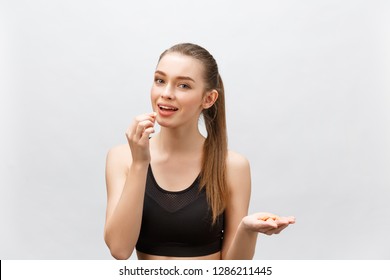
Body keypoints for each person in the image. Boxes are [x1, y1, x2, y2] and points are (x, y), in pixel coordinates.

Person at [104, 43, 295, 260]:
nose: (166, 93)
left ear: (209, 99)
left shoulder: (232, 166)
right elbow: (119, 249)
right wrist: (140, 163)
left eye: (183, 86)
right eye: (160, 80)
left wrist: (247, 230)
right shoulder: (122, 158)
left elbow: (234, 269)